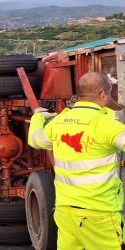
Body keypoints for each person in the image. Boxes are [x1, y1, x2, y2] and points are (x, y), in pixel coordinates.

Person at [28, 72, 125, 249]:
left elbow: (34, 140)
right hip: (99, 214)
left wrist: (37, 118)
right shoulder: (105, 124)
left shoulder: (59, 122)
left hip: (66, 212)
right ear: (103, 95)